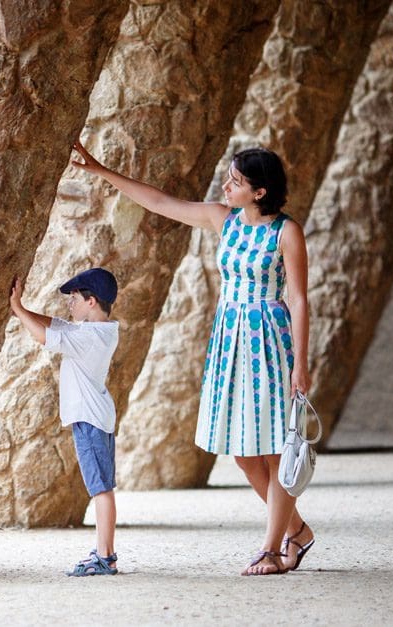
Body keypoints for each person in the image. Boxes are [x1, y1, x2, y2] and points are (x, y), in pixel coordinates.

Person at [69, 141, 315, 576]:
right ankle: (297, 531)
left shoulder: (286, 232)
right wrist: (101, 170)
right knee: (243, 453)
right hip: (230, 340)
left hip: (270, 341)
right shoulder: (226, 219)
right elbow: (162, 202)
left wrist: (302, 363)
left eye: (236, 181)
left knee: (277, 450)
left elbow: (297, 299)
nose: (227, 185)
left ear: (259, 192)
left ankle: (272, 548)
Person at [9, 268, 121, 576]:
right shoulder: (100, 329)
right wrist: (24, 310)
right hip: (95, 416)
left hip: (89, 418)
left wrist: (18, 309)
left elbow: (44, 334)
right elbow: (55, 325)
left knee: (100, 489)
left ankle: (105, 555)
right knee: (101, 486)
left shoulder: (88, 338)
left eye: (74, 298)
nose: (69, 304)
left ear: (91, 301)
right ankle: (104, 552)